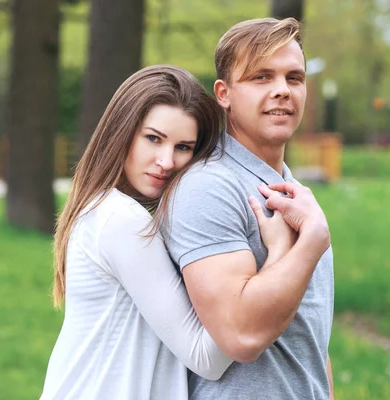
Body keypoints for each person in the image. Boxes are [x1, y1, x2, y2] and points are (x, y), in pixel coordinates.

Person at [39, 65, 297, 400]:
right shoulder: (121, 220)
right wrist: (278, 255)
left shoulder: (105, 210)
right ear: (121, 132)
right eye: (153, 139)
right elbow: (206, 358)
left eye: (184, 147)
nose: (166, 161)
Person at [163, 18, 335, 399]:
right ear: (223, 93)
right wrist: (312, 242)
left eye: (294, 78)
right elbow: (240, 335)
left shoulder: (294, 193)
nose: (282, 91)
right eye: (261, 77)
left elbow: (311, 338)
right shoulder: (209, 187)